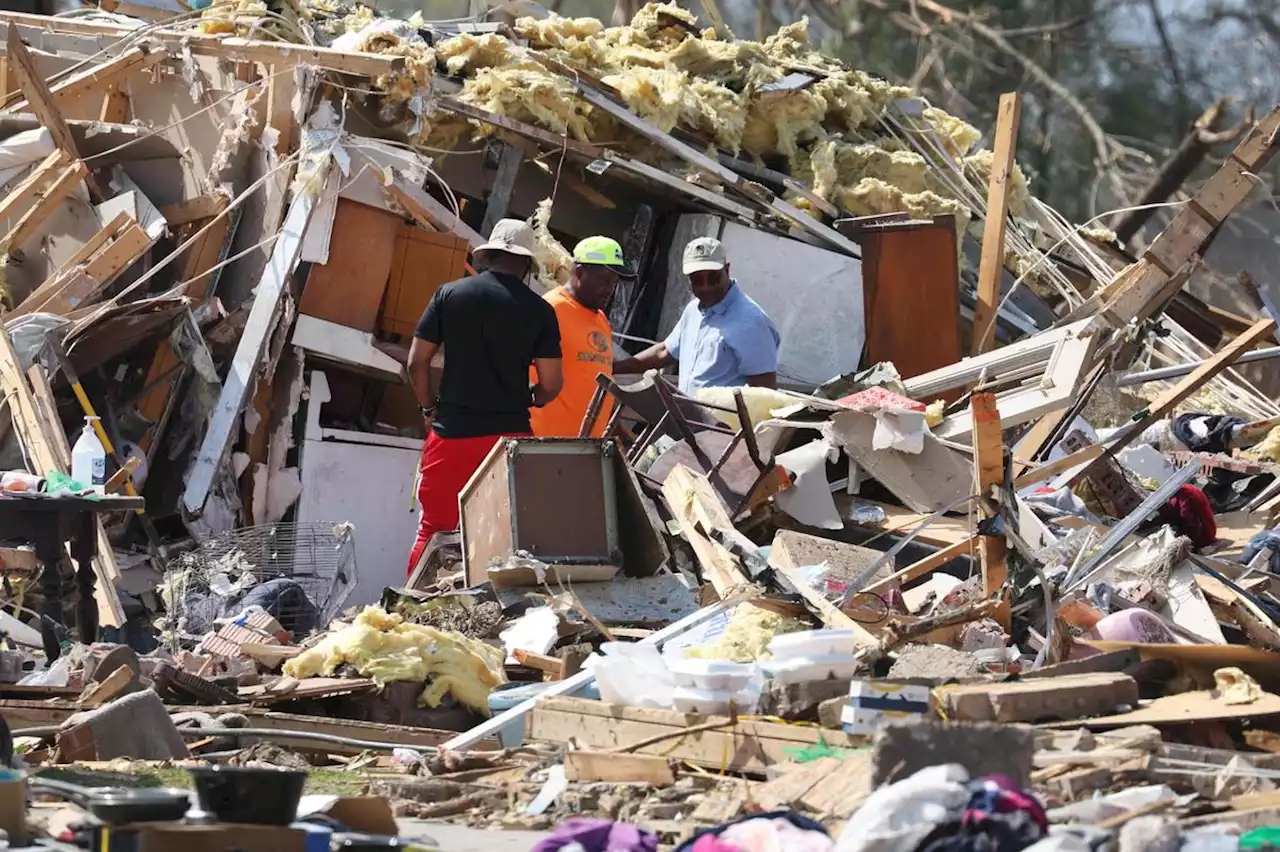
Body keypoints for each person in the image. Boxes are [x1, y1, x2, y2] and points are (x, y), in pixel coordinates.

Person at [404, 219, 563, 574]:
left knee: (434, 533)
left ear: (488, 255)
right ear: (525, 264)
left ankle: (406, 612)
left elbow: (417, 363)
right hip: (508, 441)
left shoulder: (449, 294)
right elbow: (552, 383)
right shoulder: (541, 312)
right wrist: (533, 398)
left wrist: (428, 408)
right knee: (503, 541)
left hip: (451, 434)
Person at [615, 237, 780, 393]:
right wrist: (613, 368)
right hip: (687, 417)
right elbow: (665, 352)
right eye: (697, 281)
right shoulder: (693, 310)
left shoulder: (752, 323)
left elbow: (763, 392)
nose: (706, 288)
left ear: (727, 270)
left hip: (722, 423)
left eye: (714, 279)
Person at [530, 236, 629, 438]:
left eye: (614, 282)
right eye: (604, 280)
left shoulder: (601, 320)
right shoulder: (550, 310)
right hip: (545, 443)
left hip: (586, 448)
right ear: (579, 272)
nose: (610, 289)